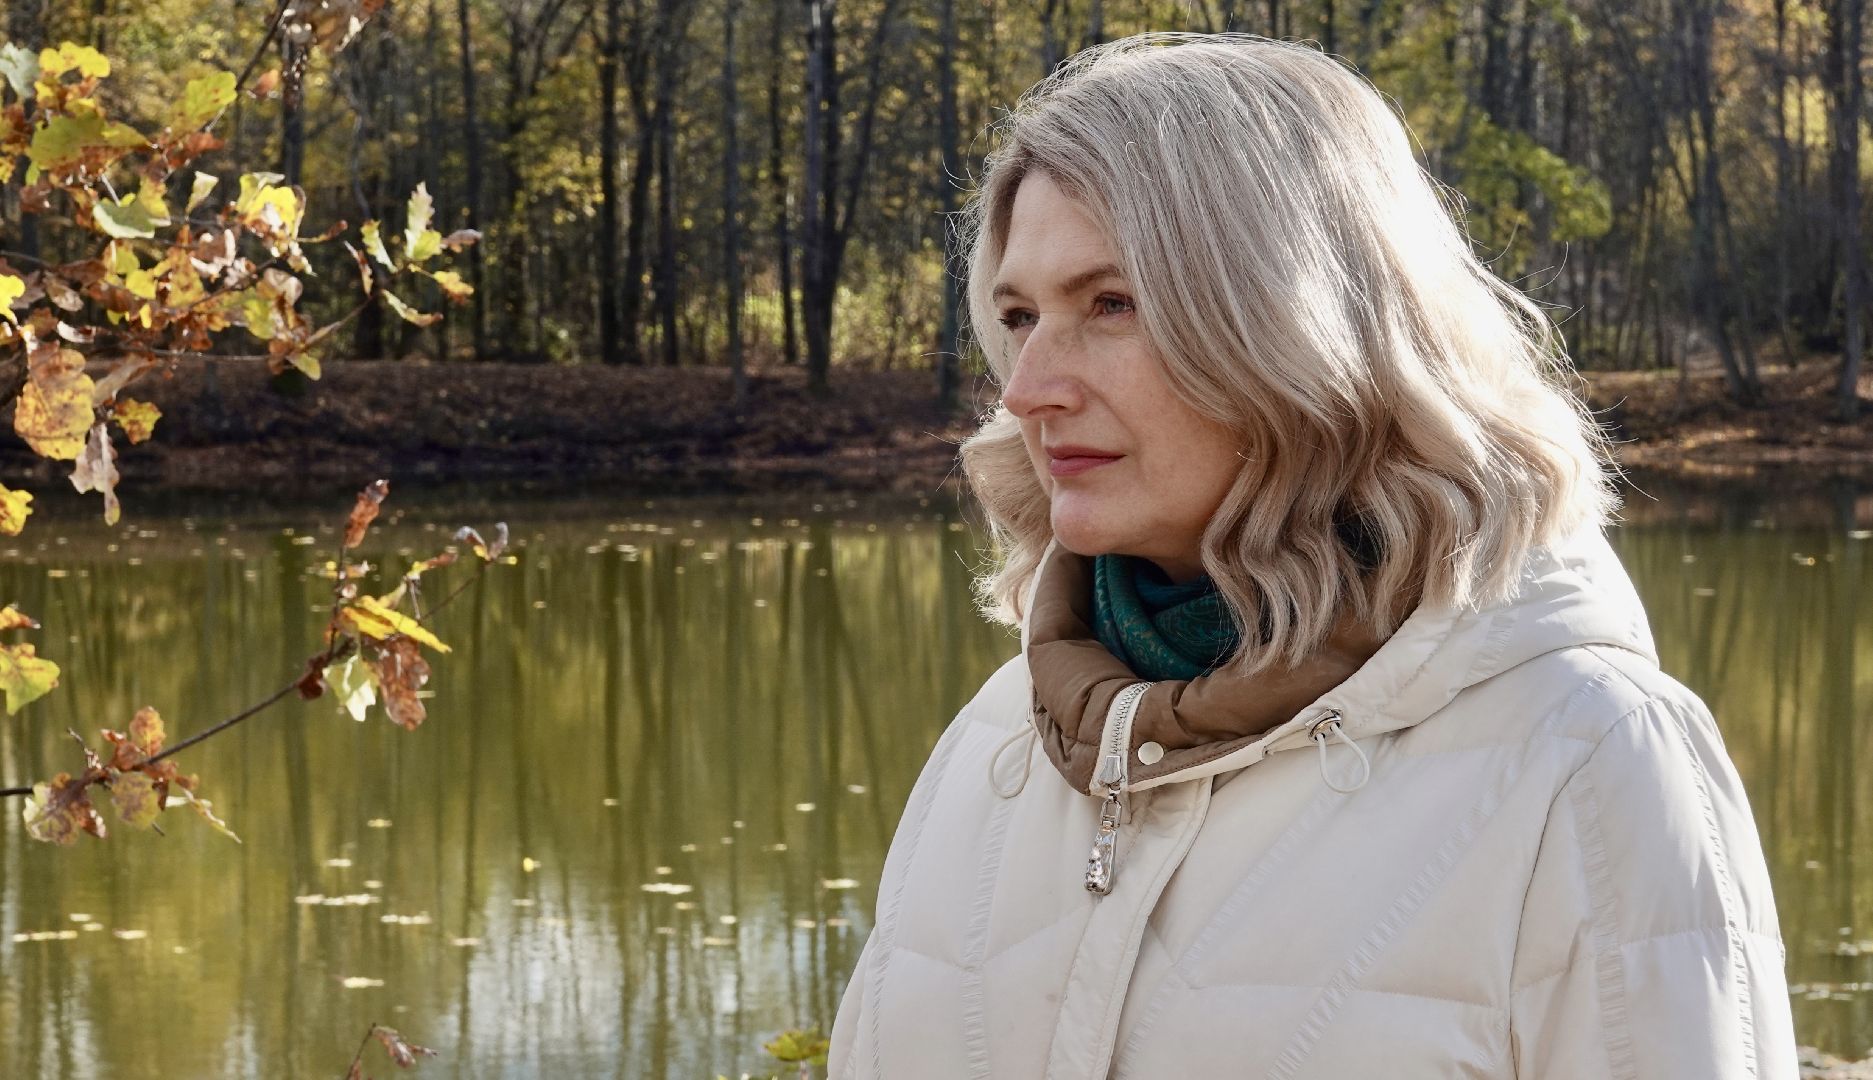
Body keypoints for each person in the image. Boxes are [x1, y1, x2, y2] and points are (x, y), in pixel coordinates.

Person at [826, 32, 1795, 1079]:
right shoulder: (993, 749)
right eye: (1019, 316)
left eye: (1111, 303)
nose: (1027, 388)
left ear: (1295, 322)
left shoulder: (1588, 763)